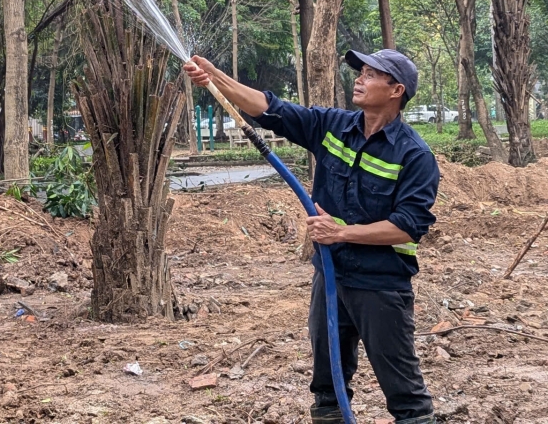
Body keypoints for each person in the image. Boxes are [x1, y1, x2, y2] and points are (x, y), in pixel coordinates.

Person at [184, 49, 438, 424]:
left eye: (371, 74)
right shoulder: (334, 126)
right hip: (331, 278)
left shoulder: (415, 155)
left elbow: (407, 225)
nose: (359, 78)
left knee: (404, 393)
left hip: (381, 286)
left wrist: (341, 232)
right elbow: (272, 109)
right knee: (327, 386)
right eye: (361, 71)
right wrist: (215, 76)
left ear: (396, 89)